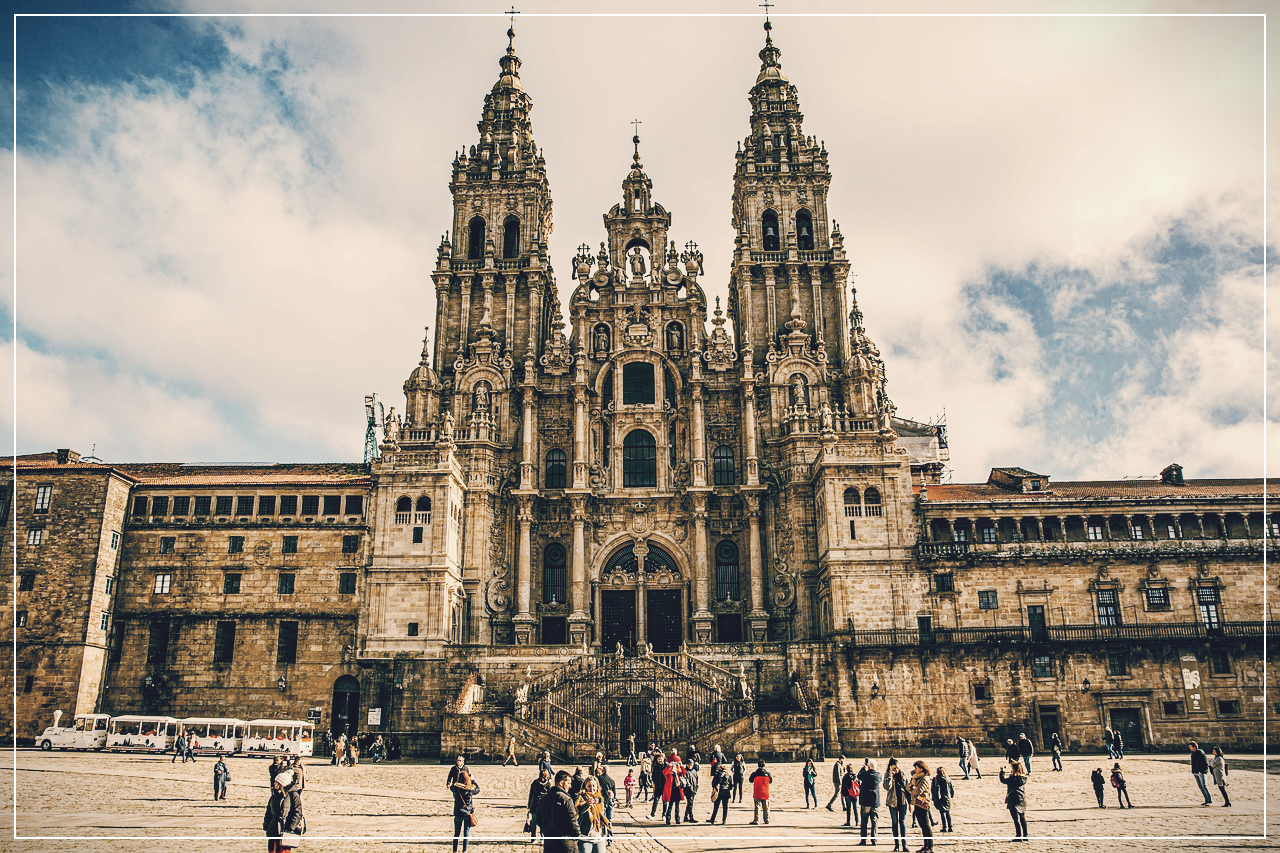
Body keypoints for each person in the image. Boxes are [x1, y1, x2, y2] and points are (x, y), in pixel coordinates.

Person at [537, 770, 577, 853]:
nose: (570, 786)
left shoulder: (544, 799)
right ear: (561, 783)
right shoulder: (566, 799)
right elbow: (572, 820)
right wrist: (577, 835)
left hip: (549, 841)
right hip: (566, 841)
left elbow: (539, 820)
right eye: (569, 783)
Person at [263, 770, 303, 853]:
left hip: (285, 830)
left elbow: (297, 812)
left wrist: (290, 828)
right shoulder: (274, 795)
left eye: (277, 782)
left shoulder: (293, 795)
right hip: (273, 829)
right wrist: (266, 824)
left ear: (282, 783)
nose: (274, 784)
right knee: (272, 851)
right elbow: (269, 811)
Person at [575, 775, 610, 853]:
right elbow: (579, 811)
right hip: (585, 838)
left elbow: (604, 815)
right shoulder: (581, 798)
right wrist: (587, 805)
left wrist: (610, 799)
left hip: (599, 837)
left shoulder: (600, 798)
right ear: (585, 787)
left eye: (594, 785)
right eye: (589, 786)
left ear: (597, 786)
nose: (592, 788)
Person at [883, 758, 909, 852]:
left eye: (897, 767)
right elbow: (887, 787)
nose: (896, 770)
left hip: (903, 801)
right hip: (892, 802)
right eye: (894, 768)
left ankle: (904, 844)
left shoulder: (903, 774)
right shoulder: (888, 775)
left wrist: (910, 803)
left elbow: (908, 788)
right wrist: (890, 775)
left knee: (902, 822)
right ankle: (896, 845)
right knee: (894, 823)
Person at [908, 760, 934, 853]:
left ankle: (930, 847)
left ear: (921, 768)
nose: (915, 769)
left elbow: (917, 791)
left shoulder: (924, 779)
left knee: (926, 826)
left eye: (916, 767)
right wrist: (911, 787)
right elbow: (908, 787)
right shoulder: (915, 777)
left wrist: (912, 788)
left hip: (923, 804)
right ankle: (925, 845)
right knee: (922, 826)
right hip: (917, 803)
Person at [451, 769, 479, 853]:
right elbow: (478, 789)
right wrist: (472, 780)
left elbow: (452, 786)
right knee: (466, 834)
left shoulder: (455, 788)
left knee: (456, 834)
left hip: (458, 812)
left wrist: (458, 780)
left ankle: (454, 850)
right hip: (467, 813)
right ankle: (464, 851)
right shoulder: (470, 790)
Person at [1000, 759, 1028, 842]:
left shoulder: (1013, 778)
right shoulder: (1023, 778)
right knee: (1022, 817)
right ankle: (1025, 835)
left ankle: (1018, 835)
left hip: (1013, 799)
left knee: (1016, 819)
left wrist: (1002, 772)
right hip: (1022, 799)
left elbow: (1003, 780)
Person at [857, 758, 881, 846]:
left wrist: (863, 768)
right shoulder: (878, 776)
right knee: (874, 821)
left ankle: (863, 840)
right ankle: (874, 840)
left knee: (864, 822)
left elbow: (859, 775)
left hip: (865, 801)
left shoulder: (865, 775)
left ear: (868, 767)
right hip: (875, 802)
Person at [527, 766, 553, 843]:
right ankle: (542, 837)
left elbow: (531, 794)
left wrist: (529, 804)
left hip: (535, 803)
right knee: (542, 821)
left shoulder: (535, 783)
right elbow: (550, 795)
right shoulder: (548, 784)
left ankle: (533, 838)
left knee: (534, 822)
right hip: (543, 804)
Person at [661, 753, 685, 825]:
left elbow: (684, 773)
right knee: (670, 805)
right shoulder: (669, 770)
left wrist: (681, 765)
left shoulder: (678, 770)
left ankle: (677, 819)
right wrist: (669, 766)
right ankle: (668, 819)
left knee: (677, 806)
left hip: (677, 789)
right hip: (671, 790)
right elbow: (664, 773)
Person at [748, 759, 772, 825]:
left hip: (757, 791)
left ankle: (756, 820)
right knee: (766, 807)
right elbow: (771, 781)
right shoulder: (768, 774)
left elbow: (750, 780)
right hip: (765, 792)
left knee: (757, 806)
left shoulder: (755, 774)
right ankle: (767, 819)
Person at [932, 766, 953, 832]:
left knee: (942, 812)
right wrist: (951, 795)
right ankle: (950, 827)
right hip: (947, 797)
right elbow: (952, 788)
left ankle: (944, 827)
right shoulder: (948, 778)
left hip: (940, 797)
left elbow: (933, 789)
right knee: (948, 812)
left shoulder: (936, 779)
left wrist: (934, 797)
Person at [841, 762, 860, 828]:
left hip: (848, 794)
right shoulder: (855, 776)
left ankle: (848, 821)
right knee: (855, 808)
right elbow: (858, 784)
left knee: (848, 809)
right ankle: (857, 822)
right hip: (854, 794)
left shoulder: (845, 777)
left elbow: (843, 786)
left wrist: (843, 793)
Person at [649, 750, 666, 819]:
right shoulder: (655, 766)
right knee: (655, 800)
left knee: (664, 802)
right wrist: (653, 783)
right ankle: (652, 815)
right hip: (657, 786)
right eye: (658, 759)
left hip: (664, 786)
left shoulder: (666, 766)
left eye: (661, 759)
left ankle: (664, 815)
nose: (660, 760)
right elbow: (653, 775)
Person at [682, 759, 700, 823]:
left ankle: (686, 817)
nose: (689, 766)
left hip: (694, 789)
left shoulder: (694, 771)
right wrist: (689, 787)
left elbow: (696, 779)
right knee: (690, 803)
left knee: (690, 803)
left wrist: (696, 786)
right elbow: (685, 781)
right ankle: (691, 817)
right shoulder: (685, 771)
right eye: (688, 765)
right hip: (688, 790)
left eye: (691, 765)